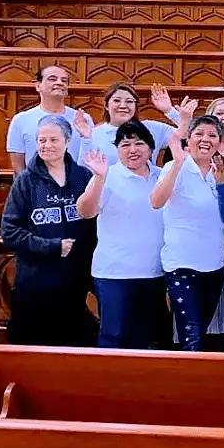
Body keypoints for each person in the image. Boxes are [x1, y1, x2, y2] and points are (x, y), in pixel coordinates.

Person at [1, 114, 96, 346]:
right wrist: (51, 247)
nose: (46, 146)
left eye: (53, 140)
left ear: (67, 141)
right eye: (41, 140)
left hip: (76, 285)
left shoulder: (84, 177)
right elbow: (9, 231)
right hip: (35, 284)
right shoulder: (25, 182)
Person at [75, 121, 168, 350]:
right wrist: (98, 178)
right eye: (125, 145)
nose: (132, 149)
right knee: (114, 335)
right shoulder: (108, 175)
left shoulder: (162, 176)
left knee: (146, 337)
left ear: (151, 148)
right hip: (115, 273)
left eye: (139, 143)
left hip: (154, 272)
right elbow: (85, 211)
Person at [150, 115, 224, 352]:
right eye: (199, 134)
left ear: (220, 142)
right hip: (182, 263)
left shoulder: (222, 170)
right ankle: (189, 383)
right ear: (189, 138)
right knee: (191, 334)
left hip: (215, 264)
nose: (205, 140)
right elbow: (156, 201)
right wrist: (177, 163)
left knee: (200, 328)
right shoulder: (174, 166)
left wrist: (223, 184)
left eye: (212, 135)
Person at [6, 64, 88, 170]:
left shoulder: (83, 119)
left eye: (64, 80)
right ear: (38, 86)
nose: (59, 83)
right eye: (52, 79)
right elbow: (18, 166)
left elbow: (89, 156)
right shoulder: (21, 120)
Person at [77, 83, 183, 165]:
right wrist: (86, 140)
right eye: (117, 100)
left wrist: (169, 111)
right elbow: (83, 170)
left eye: (129, 101)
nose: (123, 106)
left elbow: (188, 134)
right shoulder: (95, 133)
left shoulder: (152, 128)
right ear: (106, 105)